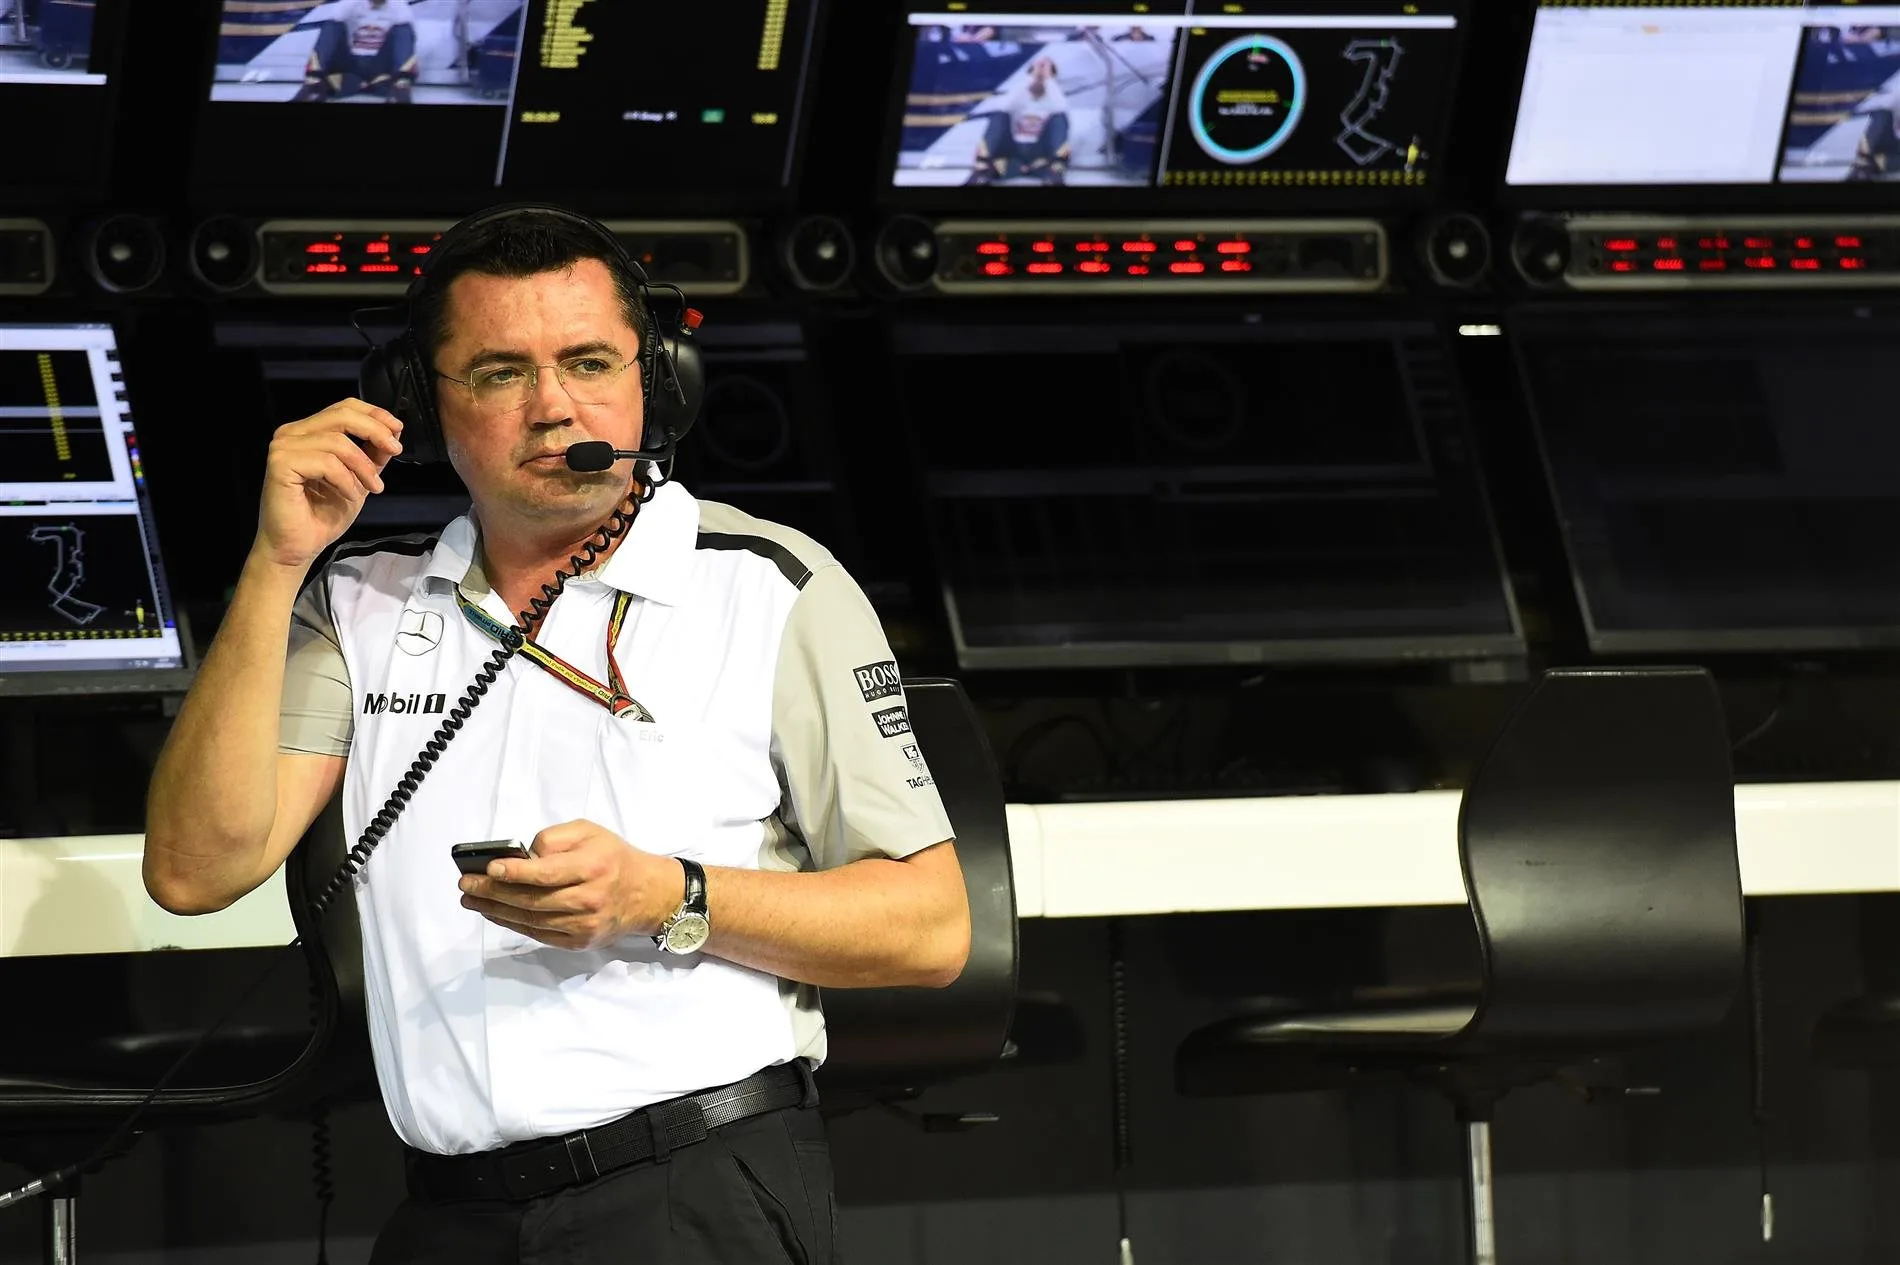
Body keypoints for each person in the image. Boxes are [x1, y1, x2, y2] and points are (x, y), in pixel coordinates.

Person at [142, 206, 972, 1264]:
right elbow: (194, 868)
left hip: (686, 1196)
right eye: (498, 372)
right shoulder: (356, 603)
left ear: (654, 381)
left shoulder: (764, 585)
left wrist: (666, 896)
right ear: (417, 401)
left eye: (587, 361)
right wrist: (273, 559)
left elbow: (930, 922)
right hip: (447, 1214)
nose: (554, 406)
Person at [968, 55, 1071, 185]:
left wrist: (1047, 78)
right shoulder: (1019, 96)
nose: (1040, 76)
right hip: (1013, 153)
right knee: (999, 116)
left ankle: (1056, 173)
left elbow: (1061, 109)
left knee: (1060, 118)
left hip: (1040, 156)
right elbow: (1003, 107)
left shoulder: (1055, 98)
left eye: (1044, 72)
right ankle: (981, 170)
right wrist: (1032, 78)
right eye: (1035, 71)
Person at [292, 0, 419, 103]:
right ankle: (313, 82)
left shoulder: (398, 6)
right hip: (350, 63)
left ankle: (401, 85)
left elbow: (408, 38)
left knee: (404, 29)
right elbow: (334, 20)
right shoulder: (351, 3)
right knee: (332, 25)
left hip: (379, 66)